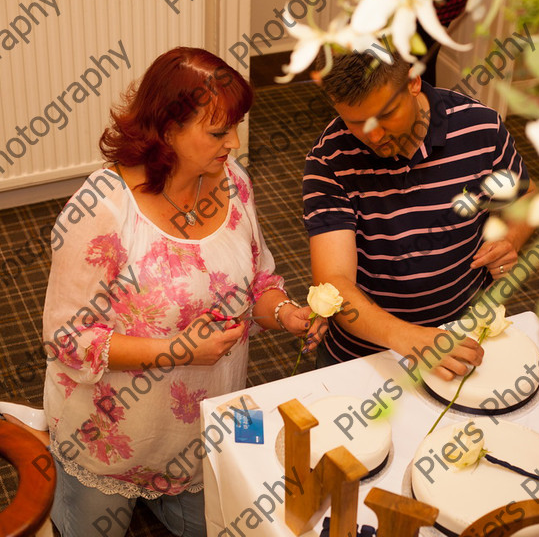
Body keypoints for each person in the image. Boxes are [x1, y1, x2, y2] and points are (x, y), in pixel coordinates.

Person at [39, 47, 325, 537]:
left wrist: (285, 313)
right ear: (166, 129)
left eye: (236, 127)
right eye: (218, 132)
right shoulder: (99, 211)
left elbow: (258, 281)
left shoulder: (233, 184)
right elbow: (66, 340)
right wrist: (175, 352)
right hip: (112, 436)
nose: (234, 143)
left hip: (201, 431)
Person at [303, 51, 536, 380]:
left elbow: (525, 195)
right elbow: (335, 283)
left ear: (413, 81)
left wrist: (511, 238)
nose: (374, 136)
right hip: (366, 358)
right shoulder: (329, 158)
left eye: (386, 115)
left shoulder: (481, 127)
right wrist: (408, 338)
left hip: (463, 336)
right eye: (355, 122)